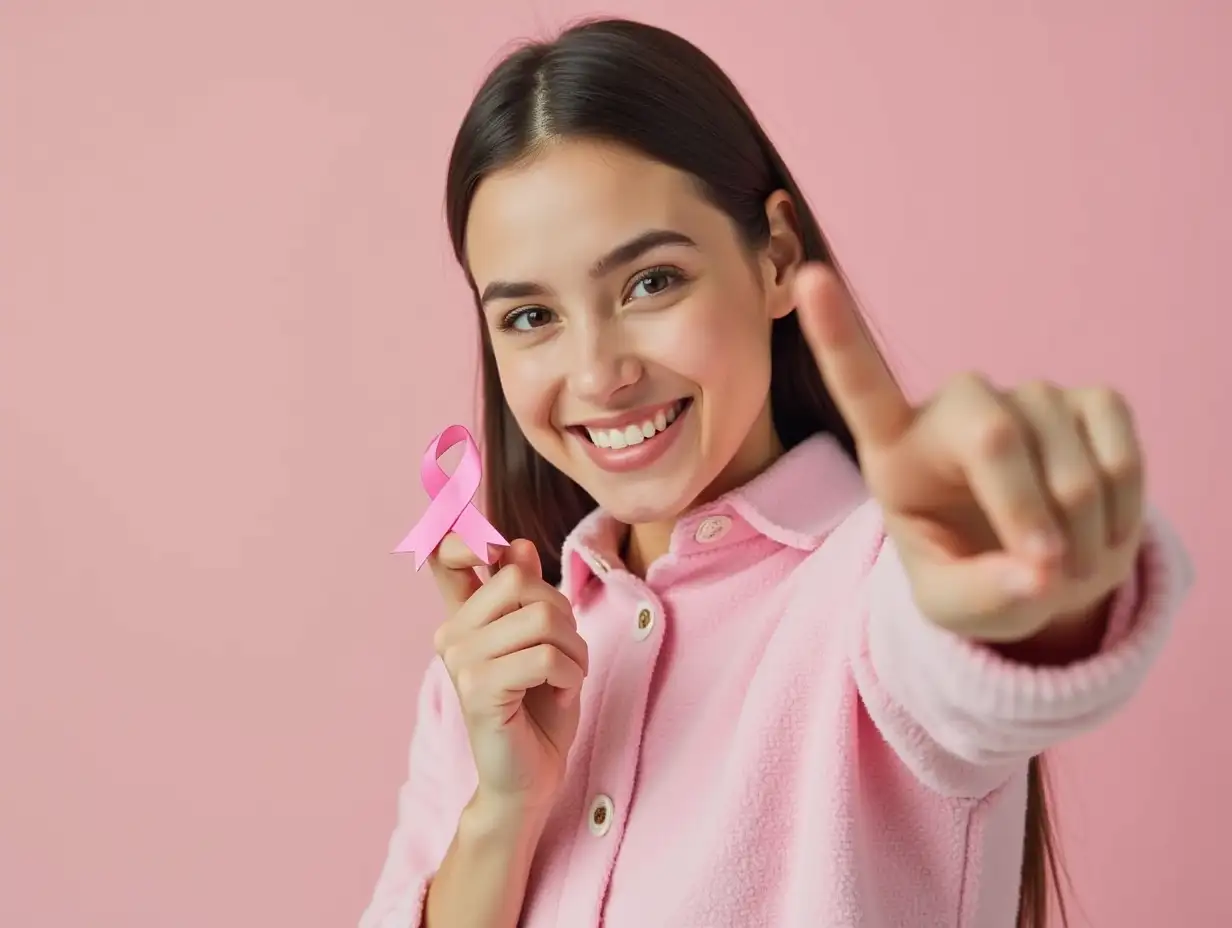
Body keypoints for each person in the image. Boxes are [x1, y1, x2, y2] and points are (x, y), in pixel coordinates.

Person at [360, 17, 1191, 928]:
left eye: (651, 283)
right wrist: (503, 811)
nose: (598, 375)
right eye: (530, 318)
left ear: (777, 256)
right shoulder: (486, 676)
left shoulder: (875, 588)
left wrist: (1023, 579)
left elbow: (964, 646)